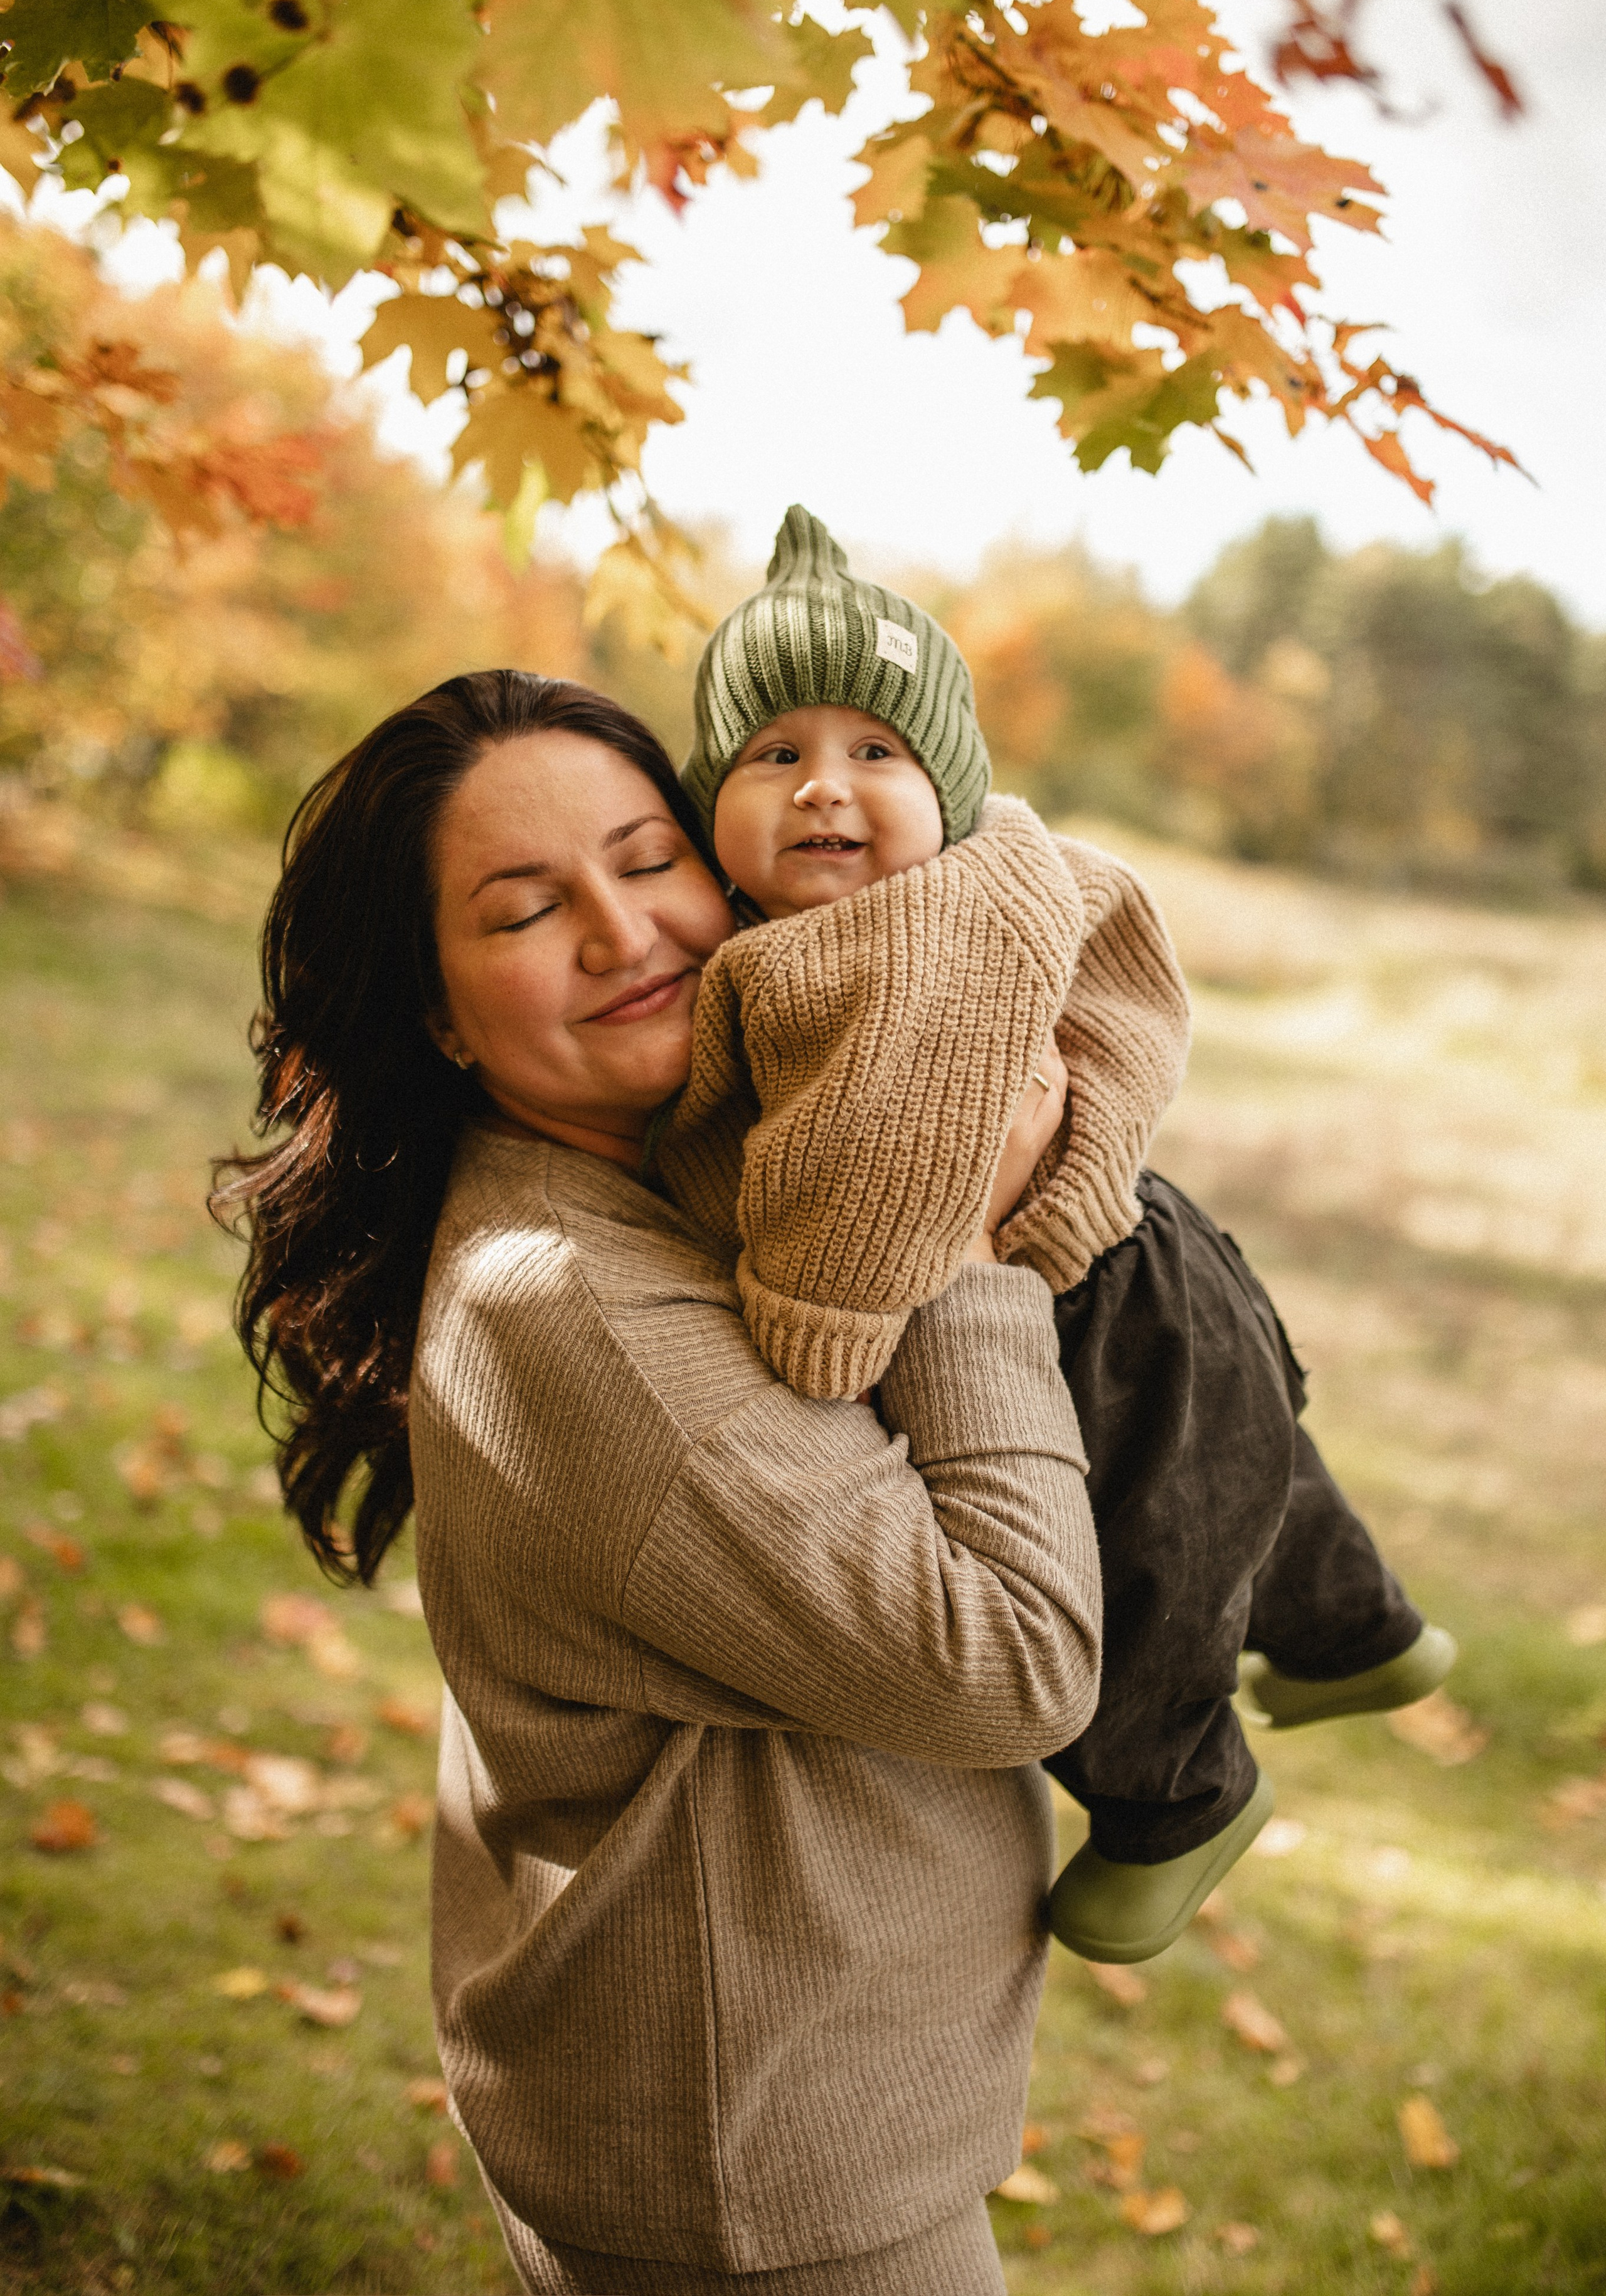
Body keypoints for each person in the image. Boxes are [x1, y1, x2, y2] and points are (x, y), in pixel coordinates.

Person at [216, 668, 1103, 2296]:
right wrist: (974, 1247)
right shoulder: (573, 1309)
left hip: (754, 2104)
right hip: (757, 2168)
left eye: (645, 859)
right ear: (435, 1008)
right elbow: (1015, 1661)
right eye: (524, 909)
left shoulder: (684, 1188)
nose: (625, 936)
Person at [657, 506, 1456, 1967]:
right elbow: (1128, 975)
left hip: (1093, 1307)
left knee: (1144, 1552)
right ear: (712, 800)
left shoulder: (905, 937)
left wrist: (814, 1328)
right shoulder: (948, 893)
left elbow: (887, 1163)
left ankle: (1178, 1803)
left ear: (948, 785)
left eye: (873, 754)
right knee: (1239, 1457)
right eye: (773, 755)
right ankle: (1359, 1635)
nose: (822, 789)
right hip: (1161, 1250)